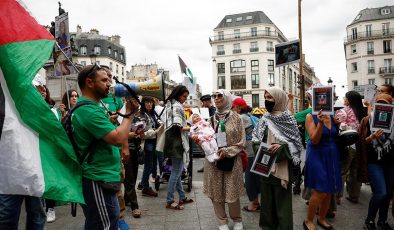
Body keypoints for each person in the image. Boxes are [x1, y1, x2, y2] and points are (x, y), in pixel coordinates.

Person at [72, 64, 138, 230]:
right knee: (106, 224)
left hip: (102, 176)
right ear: (89, 82)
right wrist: (129, 115)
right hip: (97, 178)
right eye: (104, 80)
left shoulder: (92, 108)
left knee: (99, 222)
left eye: (109, 80)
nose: (109, 84)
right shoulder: (88, 110)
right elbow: (117, 138)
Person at [0, 75, 48, 229]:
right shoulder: (6, 106)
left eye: (37, 88)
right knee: (6, 219)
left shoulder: (44, 113)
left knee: (37, 216)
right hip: (9, 174)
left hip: (35, 172)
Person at [253, 87, 303, 230]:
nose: (266, 100)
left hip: (282, 171)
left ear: (279, 99)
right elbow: (255, 139)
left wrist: (281, 149)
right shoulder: (264, 119)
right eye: (265, 97)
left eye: (270, 97)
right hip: (264, 167)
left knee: (283, 208)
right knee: (267, 208)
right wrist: (262, 149)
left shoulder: (289, 119)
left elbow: (297, 145)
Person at [203, 89, 245, 230]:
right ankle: (222, 221)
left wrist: (226, 152)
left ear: (226, 98)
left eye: (219, 95)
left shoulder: (237, 118)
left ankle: (237, 220)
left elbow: (242, 142)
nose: (216, 98)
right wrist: (201, 142)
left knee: (232, 191)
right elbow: (206, 140)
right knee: (216, 193)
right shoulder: (210, 120)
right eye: (214, 96)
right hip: (214, 162)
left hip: (232, 160)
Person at [357, 93, 394, 230]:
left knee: (388, 194)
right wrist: (371, 137)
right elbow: (361, 143)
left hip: (390, 162)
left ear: (390, 105)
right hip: (374, 162)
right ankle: (369, 220)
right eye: (380, 102)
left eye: (386, 102)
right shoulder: (368, 120)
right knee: (381, 192)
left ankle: (382, 221)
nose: (383, 104)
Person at [303, 105, 342, 229]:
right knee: (321, 190)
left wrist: (337, 125)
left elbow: (333, 135)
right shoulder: (310, 116)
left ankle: (321, 218)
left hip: (331, 154)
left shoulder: (331, 115)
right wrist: (320, 123)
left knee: (329, 189)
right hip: (316, 154)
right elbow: (314, 139)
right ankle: (308, 220)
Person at [163, 85, 194, 210]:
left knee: (177, 170)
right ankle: (169, 200)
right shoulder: (176, 106)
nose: (185, 99)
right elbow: (179, 127)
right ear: (178, 94)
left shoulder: (171, 104)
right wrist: (193, 128)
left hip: (173, 141)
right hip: (177, 142)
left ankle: (182, 196)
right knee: (176, 172)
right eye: (184, 96)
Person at [335, 91, 366, 204]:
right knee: (355, 171)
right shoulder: (363, 112)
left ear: (349, 99)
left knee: (342, 170)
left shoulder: (344, 111)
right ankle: (354, 195)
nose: (344, 98)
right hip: (361, 145)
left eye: (345, 97)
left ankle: (337, 196)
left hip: (348, 145)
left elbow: (340, 127)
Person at [231, 97, 260, 213]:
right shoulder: (249, 116)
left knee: (249, 179)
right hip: (254, 150)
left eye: (232, 107)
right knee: (254, 177)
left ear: (238, 108)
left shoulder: (241, 118)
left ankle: (253, 204)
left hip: (249, 152)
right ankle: (256, 202)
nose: (231, 110)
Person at [138, 96, 161, 197]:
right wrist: (155, 132)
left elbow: (154, 124)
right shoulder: (141, 115)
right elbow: (141, 133)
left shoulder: (151, 114)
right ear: (143, 103)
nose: (149, 104)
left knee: (150, 165)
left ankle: (144, 184)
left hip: (153, 142)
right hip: (148, 143)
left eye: (151, 102)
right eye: (147, 102)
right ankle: (145, 187)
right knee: (148, 166)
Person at [197, 94, 216, 173]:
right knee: (206, 151)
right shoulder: (202, 110)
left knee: (211, 150)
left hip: (211, 133)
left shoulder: (213, 110)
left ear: (208, 101)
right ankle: (206, 165)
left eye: (204, 102)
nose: (203, 104)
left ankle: (212, 165)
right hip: (204, 133)